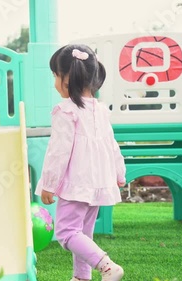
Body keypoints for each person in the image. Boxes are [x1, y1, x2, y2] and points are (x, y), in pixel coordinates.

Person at [35, 44, 127, 281]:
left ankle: (107, 266)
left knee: (66, 233)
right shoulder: (99, 110)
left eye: (55, 75)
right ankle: (81, 278)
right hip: (97, 183)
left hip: (76, 183)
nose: (54, 82)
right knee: (82, 234)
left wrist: (49, 184)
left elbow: (59, 151)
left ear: (67, 79)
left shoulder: (66, 111)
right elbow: (111, 145)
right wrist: (119, 174)